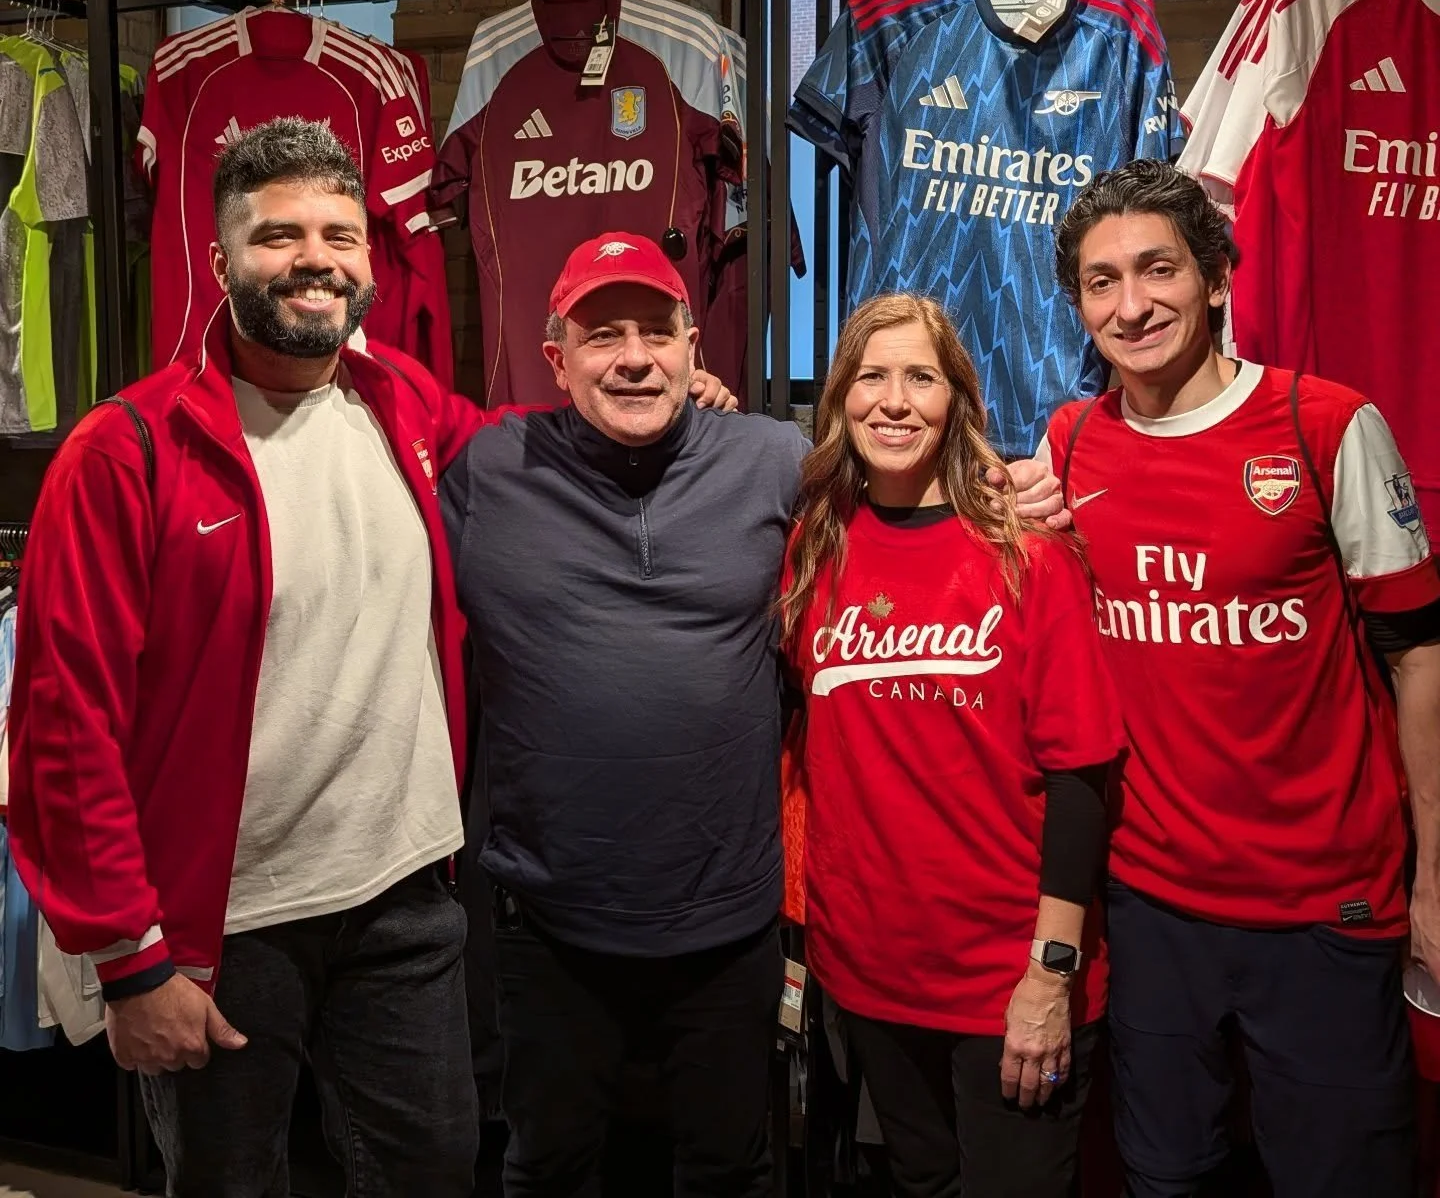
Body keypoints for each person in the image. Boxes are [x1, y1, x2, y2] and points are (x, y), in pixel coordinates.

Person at [5, 120, 733, 1198]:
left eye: (340, 234)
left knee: (431, 1171)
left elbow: (526, 451)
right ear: (219, 261)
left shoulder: (400, 399)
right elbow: (62, 732)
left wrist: (677, 404)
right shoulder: (125, 453)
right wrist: (130, 960)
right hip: (226, 926)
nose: (315, 258)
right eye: (278, 235)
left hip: (408, 899)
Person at [1011, 158, 1440, 1197]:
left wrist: (1434, 874)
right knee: (1164, 1178)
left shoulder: (1327, 425)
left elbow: (1420, 655)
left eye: (1158, 270)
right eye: (1102, 281)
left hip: (1324, 905)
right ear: (1078, 305)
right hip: (1152, 905)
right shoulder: (1069, 443)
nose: (1132, 303)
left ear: (1214, 278)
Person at [439, 232, 811, 1198]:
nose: (635, 356)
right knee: (548, 1168)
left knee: (730, 1170)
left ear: (696, 347)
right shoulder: (486, 473)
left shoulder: (776, 461)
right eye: (604, 335)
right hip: (549, 920)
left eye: (657, 330)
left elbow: (911, 522)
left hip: (729, 921)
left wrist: (1022, 493)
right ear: (556, 361)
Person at [778, 293, 1121, 1198]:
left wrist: (1050, 975)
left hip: (1007, 981)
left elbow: (1082, 776)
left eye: (920, 377)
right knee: (921, 1185)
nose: (894, 401)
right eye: (871, 377)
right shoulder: (816, 546)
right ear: (840, 398)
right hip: (870, 973)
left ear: (957, 399)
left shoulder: (1026, 555)